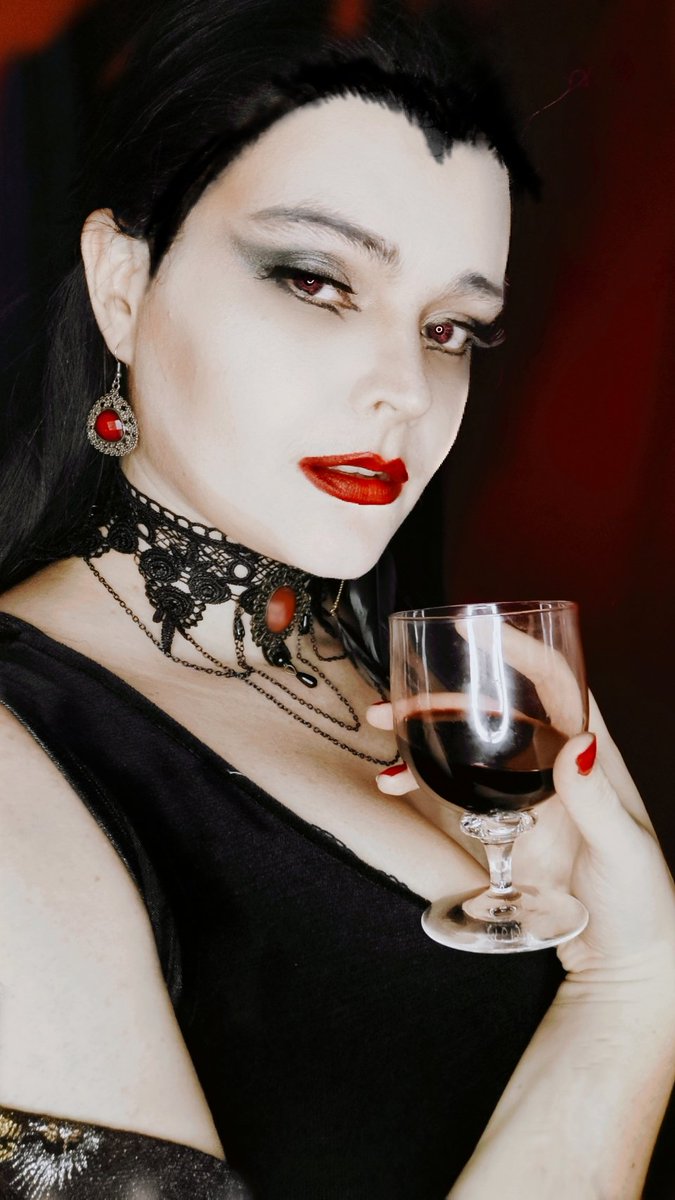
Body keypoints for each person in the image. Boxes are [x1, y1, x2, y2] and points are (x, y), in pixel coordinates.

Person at [0, 1, 672, 1196]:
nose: (406, 389)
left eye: (453, 327)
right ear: (123, 284)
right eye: (316, 281)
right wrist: (630, 999)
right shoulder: (18, 753)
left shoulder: (389, 667)